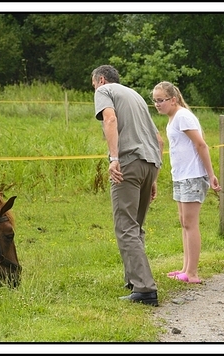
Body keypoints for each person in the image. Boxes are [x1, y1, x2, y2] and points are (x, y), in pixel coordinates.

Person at [91, 65, 164, 306]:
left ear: (101, 79)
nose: (94, 89)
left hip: (129, 163)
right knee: (136, 226)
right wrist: (153, 178)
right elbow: (158, 138)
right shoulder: (135, 95)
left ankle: (145, 289)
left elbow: (110, 119)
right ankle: (134, 281)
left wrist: (114, 159)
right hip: (150, 163)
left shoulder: (105, 91)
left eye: (93, 84)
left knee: (126, 226)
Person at [152, 81, 221, 284]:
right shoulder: (173, 118)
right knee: (184, 222)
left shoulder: (183, 116)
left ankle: (192, 273)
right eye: (155, 101)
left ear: (173, 99)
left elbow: (201, 144)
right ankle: (184, 268)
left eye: (161, 100)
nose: (157, 104)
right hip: (181, 176)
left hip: (193, 175)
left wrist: (210, 174)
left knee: (191, 224)